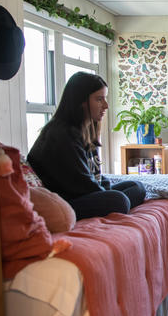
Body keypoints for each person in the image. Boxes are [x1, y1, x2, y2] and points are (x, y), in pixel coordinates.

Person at [28, 72, 145, 220]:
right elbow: (82, 185)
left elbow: (93, 175)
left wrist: (105, 187)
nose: (106, 105)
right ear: (81, 101)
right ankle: (120, 202)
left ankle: (119, 200)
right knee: (119, 200)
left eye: (105, 99)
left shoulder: (86, 129)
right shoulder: (61, 135)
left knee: (137, 187)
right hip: (65, 202)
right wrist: (105, 193)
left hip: (84, 192)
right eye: (99, 99)